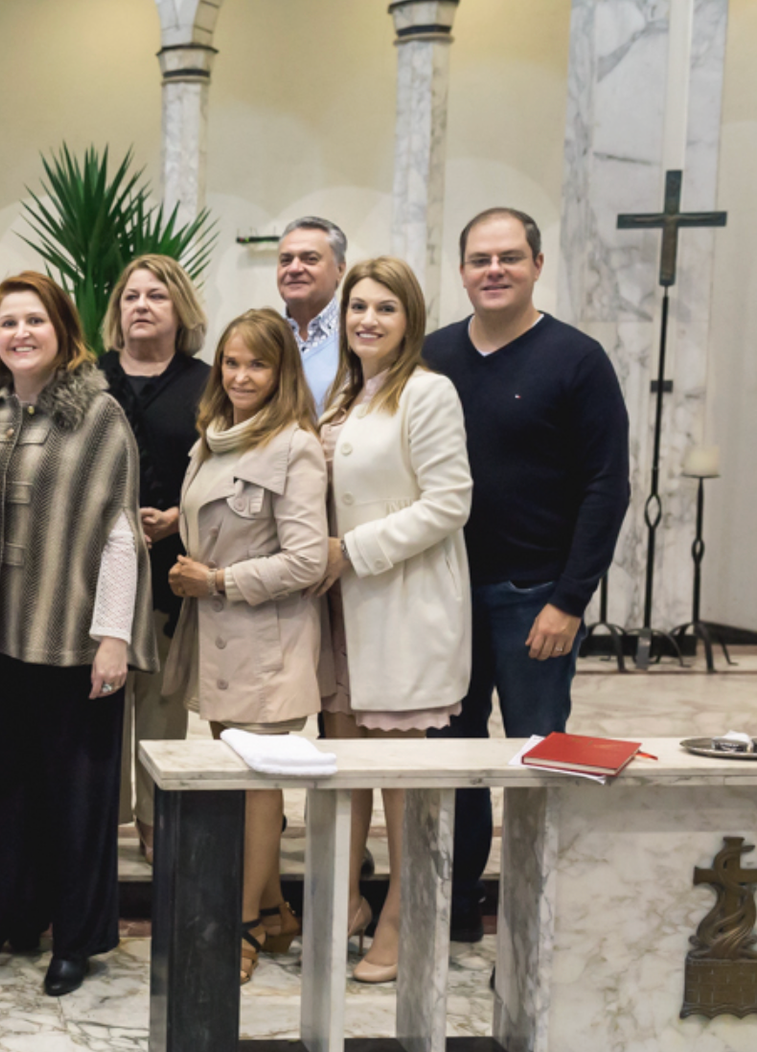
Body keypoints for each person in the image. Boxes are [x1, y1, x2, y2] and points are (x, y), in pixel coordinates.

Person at [425, 208, 630, 941]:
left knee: (539, 756)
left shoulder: (577, 359)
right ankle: (456, 910)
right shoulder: (433, 355)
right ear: (461, 271)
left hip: (533, 598)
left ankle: (535, 921)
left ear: (538, 265)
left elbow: (606, 486)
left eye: (510, 257)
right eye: (480, 259)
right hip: (444, 597)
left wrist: (569, 600)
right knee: (454, 759)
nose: (494, 270)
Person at [0, 271, 157, 996]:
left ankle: (76, 937)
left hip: (72, 634)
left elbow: (120, 530)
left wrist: (114, 636)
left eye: (35, 321)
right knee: (4, 786)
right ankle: (12, 916)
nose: (20, 334)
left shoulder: (98, 413)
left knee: (76, 797)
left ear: (63, 330)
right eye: (8, 323)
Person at [311, 256, 473, 984]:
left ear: (410, 320)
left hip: (402, 604)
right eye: (358, 307)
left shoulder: (428, 392)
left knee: (401, 781)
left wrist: (352, 549)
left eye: (385, 308)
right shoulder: (346, 396)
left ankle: (407, 918)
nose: (368, 320)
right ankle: (346, 904)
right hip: (341, 612)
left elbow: (449, 502)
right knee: (347, 768)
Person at [165, 309, 326, 984]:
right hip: (219, 639)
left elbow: (308, 560)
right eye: (231, 362)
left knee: (258, 789)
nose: (240, 376)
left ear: (282, 371)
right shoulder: (215, 437)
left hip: (266, 642)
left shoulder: (295, 446)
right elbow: (220, 520)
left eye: (257, 364)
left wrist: (218, 580)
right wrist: (174, 523)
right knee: (242, 783)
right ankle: (277, 912)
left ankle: (246, 926)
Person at [98, 254, 211, 863]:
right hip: (95, 567)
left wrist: (177, 518)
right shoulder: (87, 378)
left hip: (174, 563)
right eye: (131, 296)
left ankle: (156, 816)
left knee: (163, 698)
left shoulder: (208, 383)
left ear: (180, 309)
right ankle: (103, 816)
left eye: (157, 296)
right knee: (101, 694)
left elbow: (224, 470)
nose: (141, 306)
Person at [278, 217, 348, 414]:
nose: (294, 269)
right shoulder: (262, 336)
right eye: (286, 260)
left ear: (340, 269)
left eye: (310, 259)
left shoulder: (358, 337)